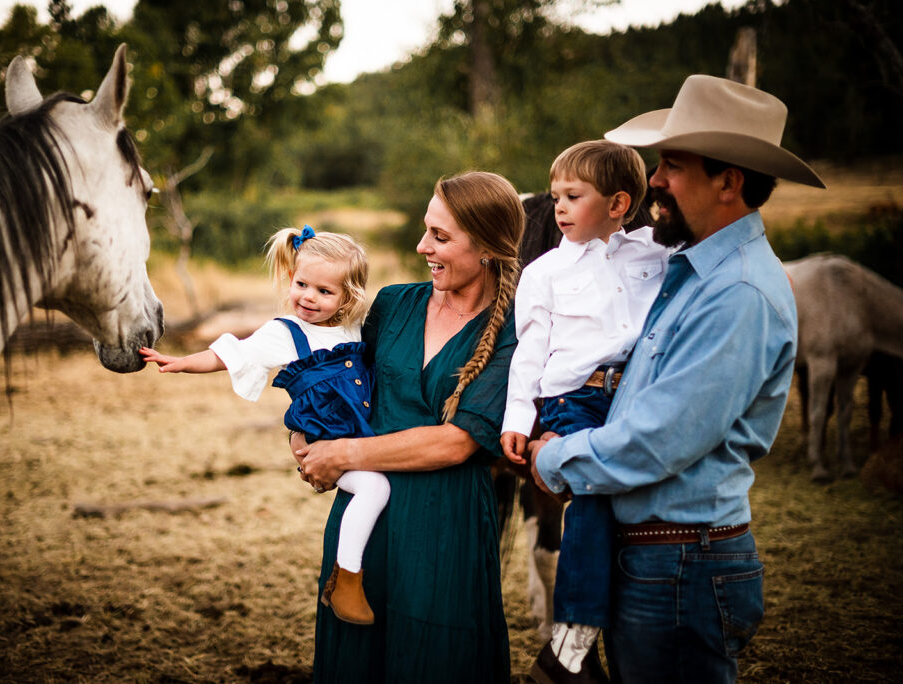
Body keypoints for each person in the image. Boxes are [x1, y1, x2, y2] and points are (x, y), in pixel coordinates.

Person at [528, 74, 825, 683]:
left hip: (684, 562)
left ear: (728, 182)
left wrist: (553, 458)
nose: (653, 180)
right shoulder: (691, 271)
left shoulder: (736, 293)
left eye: (671, 165)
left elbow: (658, 439)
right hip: (662, 557)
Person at [293, 171, 524, 683]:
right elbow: (337, 383)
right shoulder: (394, 304)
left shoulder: (514, 330)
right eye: (426, 230)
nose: (423, 246)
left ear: (487, 246)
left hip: (446, 528)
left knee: (436, 659)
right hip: (364, 525)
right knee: (353, 657)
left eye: (440, 237)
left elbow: (457, 442)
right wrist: (305, 437)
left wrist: (345, 456)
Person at [139, 226, 389, 626]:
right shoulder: (284, 333)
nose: (308, 297)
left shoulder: (355, 331)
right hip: (329, 445)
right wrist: (181, 362)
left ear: (348, 297)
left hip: (368, 437)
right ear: (291, 279)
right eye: (302, 284)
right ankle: (347, 580)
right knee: (376, 487)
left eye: (324, 292)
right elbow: (231, 354)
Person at [500, 140, 672, 683]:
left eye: (574, 196)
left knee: (639, 506)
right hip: (574, 399)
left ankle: (626, 624)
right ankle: (571, 642)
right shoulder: (545, 272)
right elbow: (530, 351)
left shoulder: (655, 254)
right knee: (593, 503)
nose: (560, 208)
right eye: (556, 197)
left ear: (620, 204)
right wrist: (517, 419)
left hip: (635, 395)